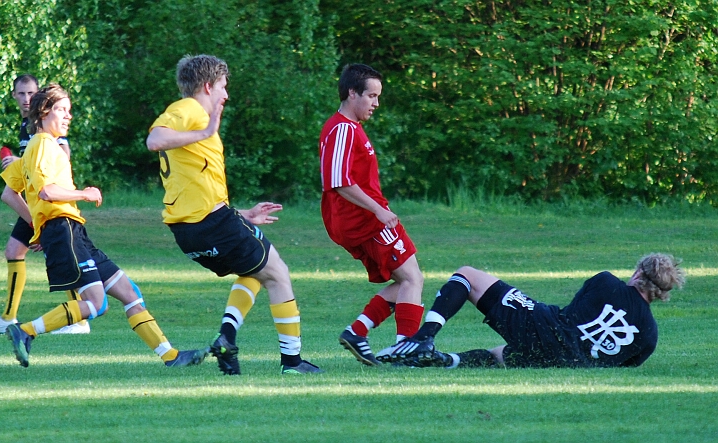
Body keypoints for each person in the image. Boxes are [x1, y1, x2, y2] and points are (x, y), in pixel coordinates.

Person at [1, 83, 206, 368]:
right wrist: (83, 194)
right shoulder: (43, 145)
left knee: (130, 293)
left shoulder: (38, 147)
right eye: (62, 109)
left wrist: (37, 223)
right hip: (63, 230)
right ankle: (25, 331)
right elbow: (47, 191)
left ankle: (171, 357)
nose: (68, 115)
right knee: (97, 303)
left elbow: (9, 192)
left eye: (69, 110)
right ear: (45, 111)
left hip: (72, 231)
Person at [146, 54, 322, 375]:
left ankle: (226, 339)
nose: (226, 95)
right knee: (278, 273)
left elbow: (195, 187)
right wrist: (205, 131)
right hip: (213, 226)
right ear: (208, 85)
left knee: (255, 271)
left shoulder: (194, 116)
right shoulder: (190, 109)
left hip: (190, 231)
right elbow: (154, 140)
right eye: (224, 87)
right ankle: (292, 363)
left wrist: (243, 214)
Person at [375, 253, 685, 369]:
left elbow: (571, 316)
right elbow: (619, 365)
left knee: (468, 275)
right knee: (501, 355)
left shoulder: (607, 282)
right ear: (662, 293)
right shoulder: (650, 337)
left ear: (637, 274)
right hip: (566, 364)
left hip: (547, 331)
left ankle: (424, 339)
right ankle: (445, 361)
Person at [318, 63, 424, 366]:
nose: (376, 103)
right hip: (366, 221)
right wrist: (378, 210)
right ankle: (406, 351)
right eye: (372, 96)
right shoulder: (341, 128)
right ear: (353, 93)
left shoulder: (351, 129)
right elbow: (337, 182)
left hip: (366, 219)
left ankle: (358, 331)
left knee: (408, 281)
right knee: (412, 279)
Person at [0, 74, 89, 335]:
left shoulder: (47, 127)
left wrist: (22, 160)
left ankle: (79, 318)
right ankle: (9, 317)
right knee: (15, 251)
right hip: (35, 200)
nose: (27, 99)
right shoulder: (26, 126)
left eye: (31, 93)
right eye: (21, 94)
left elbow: (62, 155)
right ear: (14, 96)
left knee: (57, 252)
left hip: (49, 200)